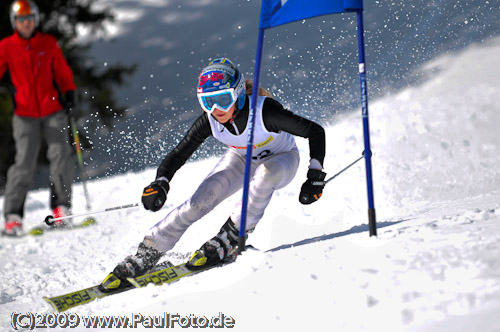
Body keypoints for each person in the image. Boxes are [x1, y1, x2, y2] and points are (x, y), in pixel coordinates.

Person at [100, 58, 326, 290]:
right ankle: (150, 249)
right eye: (208, 102)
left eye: (222, 99)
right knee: (200, 200)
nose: (216, 109)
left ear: (238, 94)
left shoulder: (264, 111)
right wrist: (161, 183)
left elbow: (315, 131)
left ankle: (232, 235)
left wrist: (315, 175)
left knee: (264, 176)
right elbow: (179, 153)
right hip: (242, 158)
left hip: (281, 158)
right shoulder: (210, 120)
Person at [0, 0, 77, 236]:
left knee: (60, 155)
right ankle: (13, 215)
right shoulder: (6, 46)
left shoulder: (47, 43)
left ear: (35, 19)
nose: (26, 23)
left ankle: (60, 207)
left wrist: (70, 92)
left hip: (52, 109)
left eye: (30, 18)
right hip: (24, 114)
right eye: (21, 19)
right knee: (23, 162)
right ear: (15, 22)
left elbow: (62, 71)